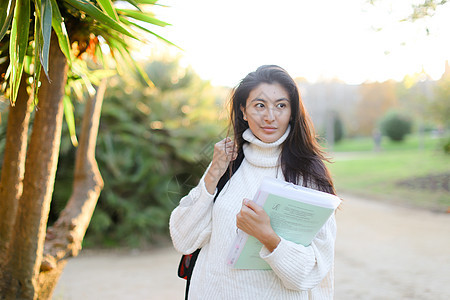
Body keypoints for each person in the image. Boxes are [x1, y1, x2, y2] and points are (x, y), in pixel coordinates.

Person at [170, 65, 337, 299]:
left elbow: (310, 274)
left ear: (292, 112)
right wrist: (213, 173)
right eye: (260, 105)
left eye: (281, 105)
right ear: (243, 111)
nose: (270, 116)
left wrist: (267, 236)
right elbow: (183, 238)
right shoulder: (228, 162)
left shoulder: (307, 175)